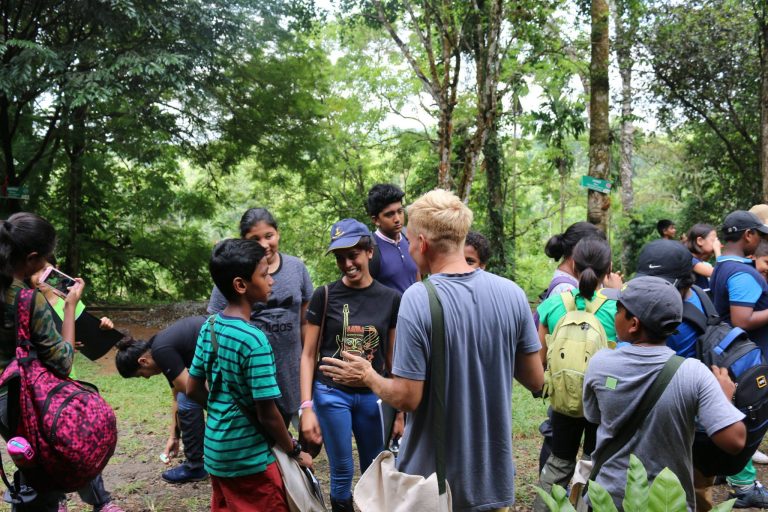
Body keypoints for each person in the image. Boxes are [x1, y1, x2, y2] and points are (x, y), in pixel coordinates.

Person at [319, 189, 544, 512]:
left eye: (410, 241)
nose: (409, 248)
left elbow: (407, 398)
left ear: (422, 243)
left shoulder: (418, 298)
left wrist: (367, 375)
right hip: (493, 480)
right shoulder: (512, 293)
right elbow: (535, 379)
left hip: (434, 486)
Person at [585, 276, 746, 511]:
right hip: (669, 501)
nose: (615, 315)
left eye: (618, 310)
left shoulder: (600, 363)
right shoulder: (693, 373)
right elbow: (735, 441)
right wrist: (724, 397)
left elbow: (593, 416)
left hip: (608, 500)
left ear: (633, 324)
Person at [187, 238, 311, 512]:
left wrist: (220, 408)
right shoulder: (254, 340)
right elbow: (268, 414)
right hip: (250, 459)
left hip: (216, 453)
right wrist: (294, 450)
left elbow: (192, 388)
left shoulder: (209, 327)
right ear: (241, 285)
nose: (272, 281)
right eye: (264, 275)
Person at [298, 218, 401, 512]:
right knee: (342, 469)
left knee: (373, 468)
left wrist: (399, 412)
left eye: (353, 255)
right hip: (332, 394)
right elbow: (308, 355)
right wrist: (306, 408)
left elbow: (393, 360)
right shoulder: (325, 295)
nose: (347, 264)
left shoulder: (391, 298)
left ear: (369, 251)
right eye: (340, 258)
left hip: (373, 396)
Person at [0, 213, 85, 511]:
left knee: (28, 472)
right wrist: (70, 306)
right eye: (46, 257)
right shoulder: (26, 299)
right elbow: (63, 361)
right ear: (32, 258)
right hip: (22, 403)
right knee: (43, 485)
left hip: (3, 404)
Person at [532, 237, 618, 512]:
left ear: (573, 265)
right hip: (603, 401)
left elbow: (539, 358)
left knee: (559, 461)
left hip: (564, 398)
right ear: (608, 268)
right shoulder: (618, 308)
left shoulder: (553, 304)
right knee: (596, 462)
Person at [28, 264, 123, 512]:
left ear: (55, 269)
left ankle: (101, 501)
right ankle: (58, 500)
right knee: (48, 445)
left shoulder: (67, 300)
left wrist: (103, 327)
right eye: (36, 271)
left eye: (46, 269)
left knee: (80, 439)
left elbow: (84, 332)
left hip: (69, 382)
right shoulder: (27, 303)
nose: (41, 275)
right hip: (40, 385)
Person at [207, 208, 313, 426]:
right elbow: (215, 324)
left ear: (278, 233)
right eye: (255, 239)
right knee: (267, 428)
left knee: (308, 435)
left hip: (292, 371)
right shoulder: (233, 276)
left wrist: (308, 358)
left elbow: (306, 321)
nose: (264, 245)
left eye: (269, 236)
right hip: (253, 372)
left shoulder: (296, 268)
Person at [707, 210, 768, 507]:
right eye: (760, 235)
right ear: (748, 235)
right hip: (746, 359)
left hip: (732, 354)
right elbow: (742, 319)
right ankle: (744, 485)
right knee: (748, 414)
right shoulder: (742, 272)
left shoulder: (721, 265)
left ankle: (726, 469)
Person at [115, 316, 208, 484]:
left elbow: (192, 392)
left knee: (189, 401)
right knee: (186, 399)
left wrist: (220, 416)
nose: (146, 378)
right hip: (222, 350)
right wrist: (174, 437)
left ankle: (196, 466)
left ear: (143, 361)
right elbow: (177, 397)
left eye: (141, 374)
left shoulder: (161, 351)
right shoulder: (157, 347)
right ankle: (197, 463)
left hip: (229, 347)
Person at [366, 183, 419, 292]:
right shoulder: (371, 249)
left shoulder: (410, 237)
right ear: (376, 220)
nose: (397, 219)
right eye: (390, 214)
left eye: (400, 211)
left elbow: (417, 274)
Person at [686, 223, 721, 294]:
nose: (716, 243)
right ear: (700, 241)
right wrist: (717, 250)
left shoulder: (696, 259)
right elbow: (720, 273)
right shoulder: (689, 260)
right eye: (713, 240)